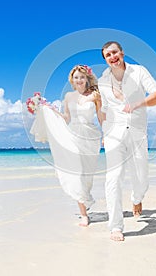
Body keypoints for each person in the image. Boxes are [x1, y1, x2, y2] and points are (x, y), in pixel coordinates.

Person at [98, 41, 156, 241]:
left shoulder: (139, 71)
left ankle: (137, 198)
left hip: (137, 131)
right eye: (108, 55)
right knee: (113, 177)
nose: (112, 57)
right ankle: (115, 227)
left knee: (141, 176)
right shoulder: (103, 82)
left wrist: (137, 104)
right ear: (106, 60)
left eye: (114, 52)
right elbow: (104, 111)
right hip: (113, 133)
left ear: (122, 52)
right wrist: (103, 132)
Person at [30, 65, 102, 227]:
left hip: (91, 138)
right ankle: (84, 215)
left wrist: (108, 133)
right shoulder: (68, 97)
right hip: (74, 136)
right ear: (72, 80)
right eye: (76, 77)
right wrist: (49, 110)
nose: (79, 80)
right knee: (76, 173)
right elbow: (66, 118)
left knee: (86, 175)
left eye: (82, 77)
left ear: (87, 78)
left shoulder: (95, 95)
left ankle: (86, 198)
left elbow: (100, 116)